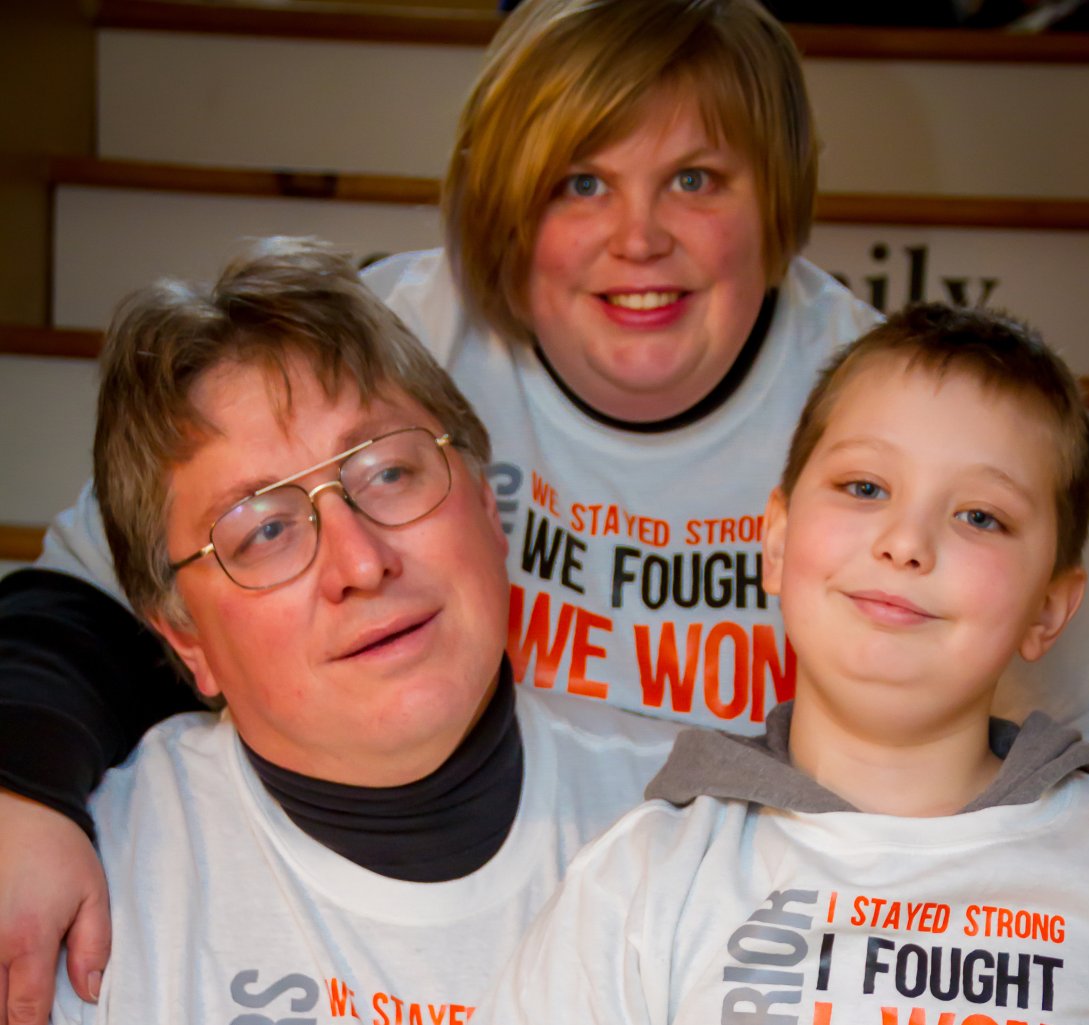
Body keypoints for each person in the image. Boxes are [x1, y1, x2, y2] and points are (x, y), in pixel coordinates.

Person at [0, 0, 1089, 1021]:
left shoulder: (891, 417)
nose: (640, 239)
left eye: (694, 178)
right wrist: (24, 791)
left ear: (774, 200)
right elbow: (82, 603)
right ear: (506, 211)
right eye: (581, 181)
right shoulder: (389, 342)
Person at [482, 303, 1089, 1025]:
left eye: (981, 515)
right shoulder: (641, 879)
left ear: (1050, 607)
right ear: (777, 541)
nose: (906, 542)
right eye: (866, 487)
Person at [47, 237, 681, 1024]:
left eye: (387, 471)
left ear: (487, 505)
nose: (360, 560)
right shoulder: (86, 893)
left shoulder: (698, 826)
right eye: (264, 530)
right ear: (186, 639)